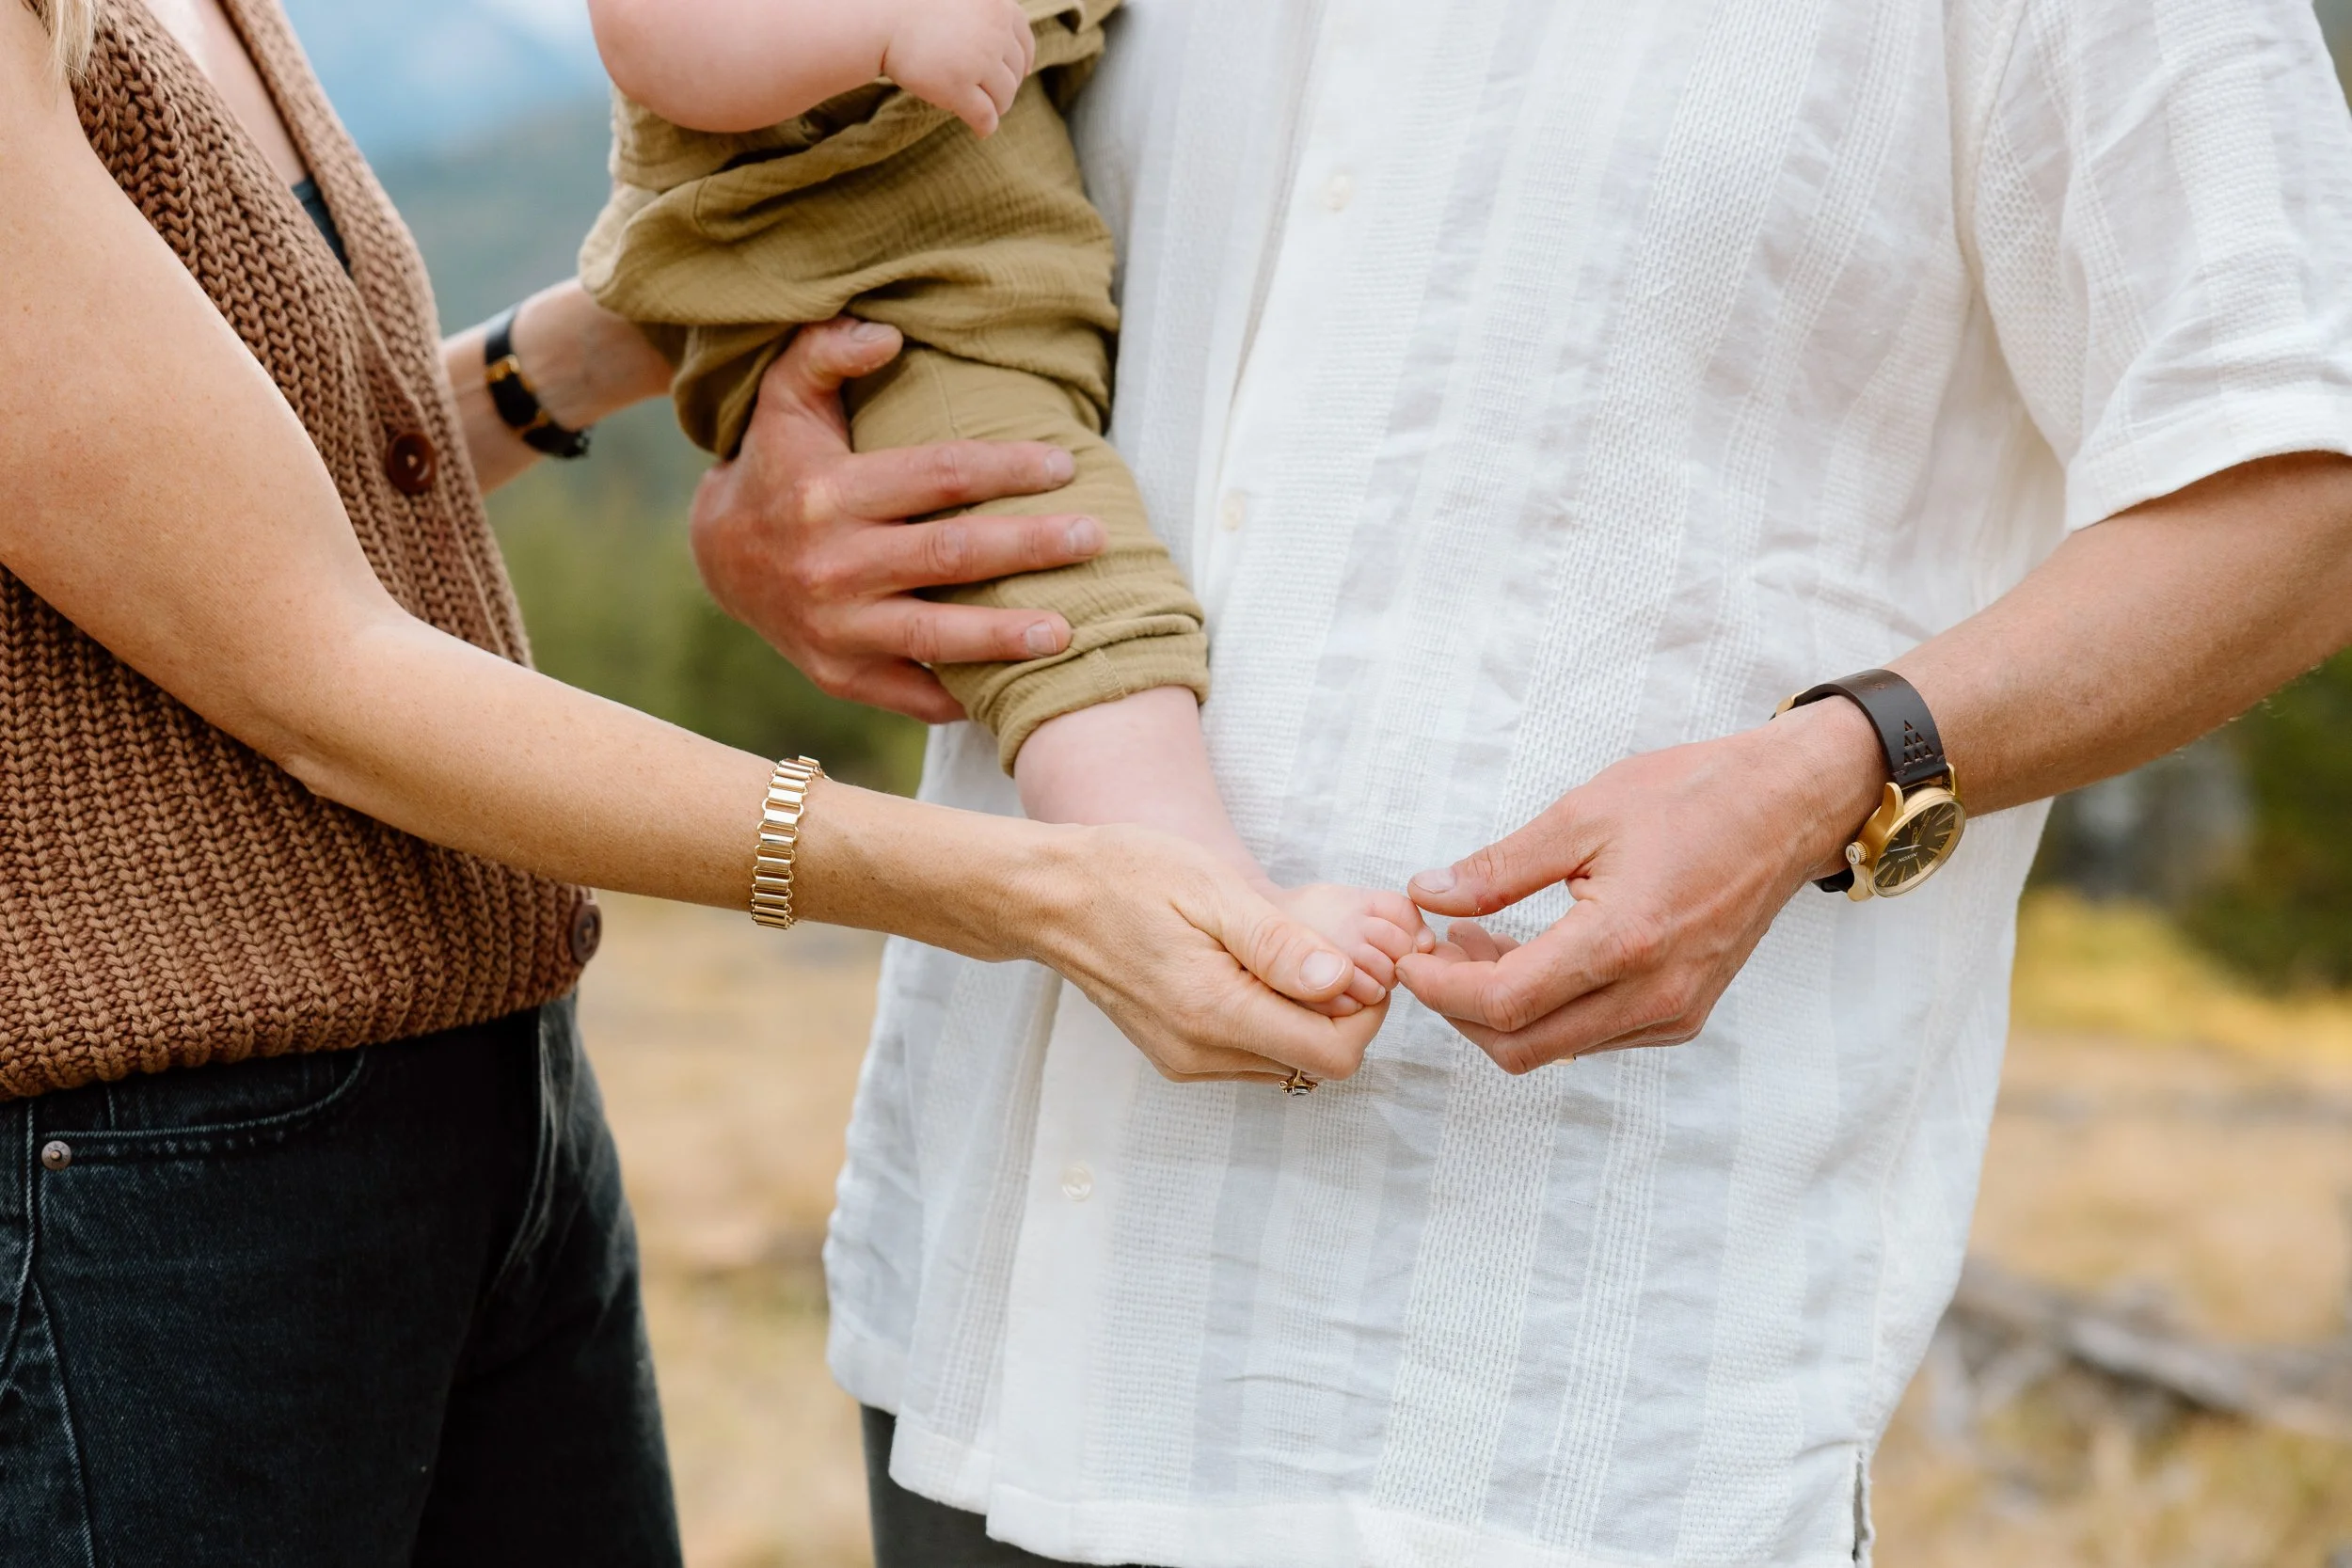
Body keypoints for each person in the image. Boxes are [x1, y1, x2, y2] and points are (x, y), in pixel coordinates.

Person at [692, 0, 2352, 1562]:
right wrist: (780, 510)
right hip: (983, 1318)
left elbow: (2299, 495)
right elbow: (896, 220)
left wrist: (1833, 766)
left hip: (1549, 1396)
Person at [0, 1, 1389, 1561]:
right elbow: (312, 667)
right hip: (149, 1192)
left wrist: (634, 328)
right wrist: (1037, 886)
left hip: (491, 1110)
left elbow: (231, 496)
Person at [579, 0, 1427, 1019]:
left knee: (1035, 547)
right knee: (1060, 591)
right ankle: (1219, 905)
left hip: (994, 272)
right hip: (888, 305)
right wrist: (885, 32)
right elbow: (651, 36)